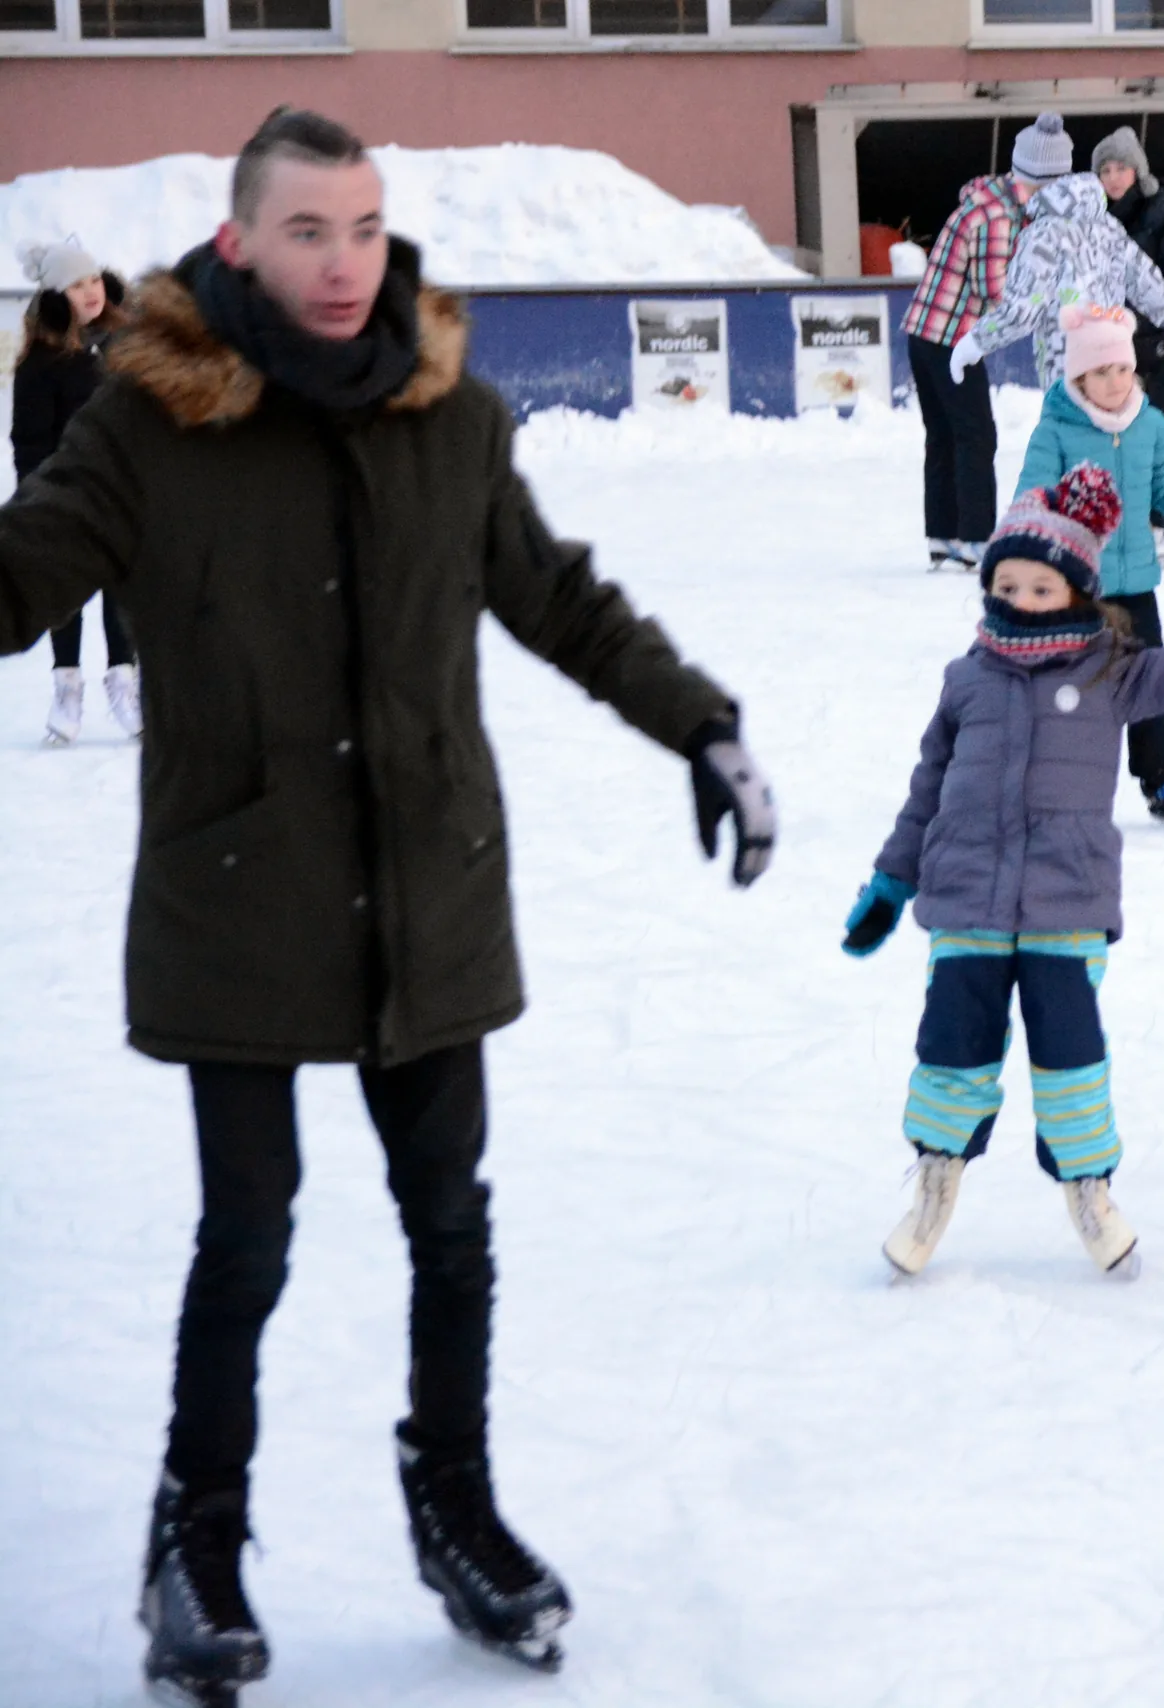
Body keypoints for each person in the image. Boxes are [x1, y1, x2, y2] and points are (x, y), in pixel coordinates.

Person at [0, 107, 779, 1703]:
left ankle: (459, 1507)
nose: (343, 263)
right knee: (248, 1235)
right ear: (237, 246)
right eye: (306, 233)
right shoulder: (151, 424)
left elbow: (555, 595)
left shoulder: (448, 411)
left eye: (362, 229)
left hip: (428, 890)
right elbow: (23, 577)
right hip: (240, 891)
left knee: (452, 1229)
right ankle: (194, 1541)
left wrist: (702, 720)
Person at [841, 463, 1164, 1278]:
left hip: (1064, 903)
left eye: (1038, 587)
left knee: (1071, 1060)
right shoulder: (966, 681)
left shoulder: (1110, 671)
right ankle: (934, 1189)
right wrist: (891, 880)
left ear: (1075, 593)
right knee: (951, 1056)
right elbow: (925, 792)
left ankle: (1089, 1192)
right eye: (1005, 581)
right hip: (966, 903)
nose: (1017, 596)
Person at [1013, 304, 1164, 825]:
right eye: (1101, 372)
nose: (1114, 381)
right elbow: (1029, 499)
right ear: (1079, 377)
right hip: (1076, 591)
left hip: (1135, 587)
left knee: (1152, 680)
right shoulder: (1056, 432)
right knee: (1073, 691)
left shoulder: (1149, 425)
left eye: (1122, 369)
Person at [900, 111, 1068, 574]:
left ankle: (943, 534)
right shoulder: (999, 217)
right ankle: (974, 538)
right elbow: (996, 287)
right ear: (1044, 177)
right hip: (950, 340)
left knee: (945, 437)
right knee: (977, 437)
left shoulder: (990, 200)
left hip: (924, 333)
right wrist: (1049, 305)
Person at [14, 236, 138, 744]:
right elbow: (28, 441)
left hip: (124, 489)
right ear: (54, 298)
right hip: (67, 495)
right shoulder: (41, 364)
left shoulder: (123, 345)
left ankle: (124, 683)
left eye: (93, 280)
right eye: (76, 284)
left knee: (121, 589)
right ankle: (67, 688)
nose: (90, 292)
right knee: (67, 594)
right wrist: (40, 500)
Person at [949, 169, 1164, 394]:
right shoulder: (1109, 228)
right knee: (1109, 447)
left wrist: (974, 343)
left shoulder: (1042, 234)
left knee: (1071, 452)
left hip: (1067, 374)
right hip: (1112, 366)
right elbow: (1151, 287)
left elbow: (1022, 312)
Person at [1090, 127, 1164, 563]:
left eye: (1121, 167)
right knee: (1128, 439)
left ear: (1138, 171)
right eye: (1105, 169)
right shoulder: (1097, 224)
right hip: (1123, 352)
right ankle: (1142, 521)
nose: (1114, 176)